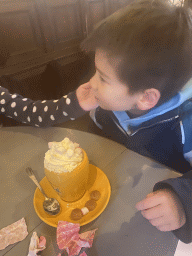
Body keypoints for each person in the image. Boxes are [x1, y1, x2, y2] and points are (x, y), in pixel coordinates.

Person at [0, 0, 192, 244]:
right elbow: (99, 140)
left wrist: (183, 200)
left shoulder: (186, 124)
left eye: (103, 78)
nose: (91, 83)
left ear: (145, 97)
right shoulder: (110, 107)